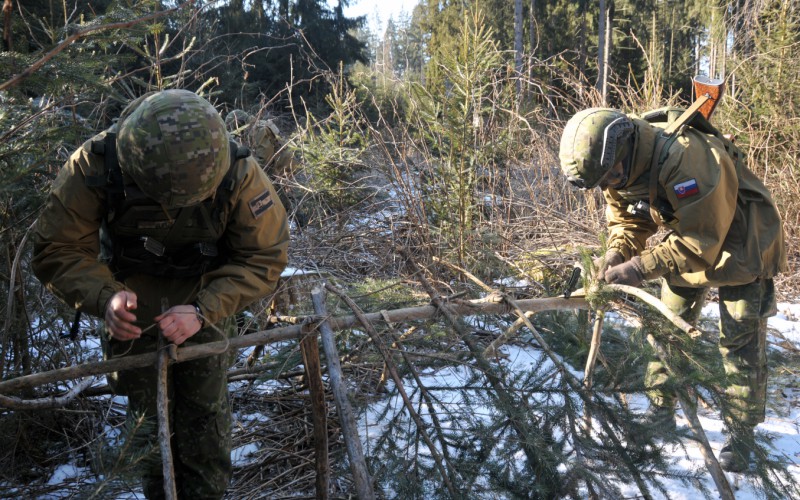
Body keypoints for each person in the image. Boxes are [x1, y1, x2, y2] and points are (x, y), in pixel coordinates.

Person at [32, 89, 290, 498]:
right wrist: (105, 297)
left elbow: (264, 254)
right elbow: (56, 248)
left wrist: (205, 310)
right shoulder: (96, 163)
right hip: (130, 307)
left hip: (206, 295)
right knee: (148, 426)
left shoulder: (236, 169)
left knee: (205, 418)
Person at [558, 106, 787, 472]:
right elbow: (627, 220)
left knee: (740, 343)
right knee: (667, 327)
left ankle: (742, 433)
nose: (608, 185)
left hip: (744, 240)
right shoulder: (615, 166)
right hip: (690, 234)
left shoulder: (686, 158)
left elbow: (701, 241)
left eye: (610, 176)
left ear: (625, 147)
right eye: (602, 181)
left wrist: (639, 268)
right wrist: (617, 252)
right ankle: (661, 411)